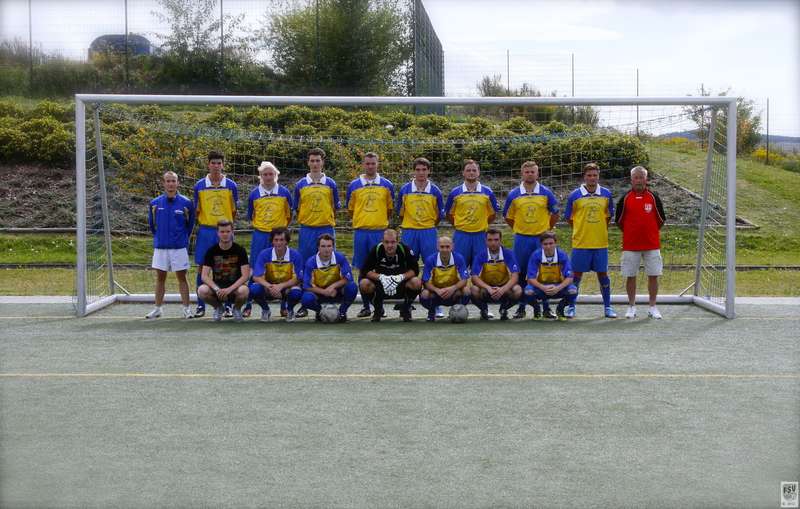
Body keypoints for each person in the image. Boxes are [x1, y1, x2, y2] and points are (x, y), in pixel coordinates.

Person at [503, 160, 559, 319]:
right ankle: (521, 307)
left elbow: (555, 213)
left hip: (541, 240)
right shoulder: (514, 194)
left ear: (537, 173)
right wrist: (520, 229)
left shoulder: (546, 192)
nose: (530, 174)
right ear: (522, 174)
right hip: (521, 239)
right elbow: (508, 216)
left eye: (532, 172)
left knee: (544, 271)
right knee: (520, 273)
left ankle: (546, 308)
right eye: (527, 172)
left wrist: (546, 231)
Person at [563, 162, 616, 319]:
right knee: (576, 276)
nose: (592, 178)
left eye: (595, 175)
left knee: (603, 275)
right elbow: (569, 218)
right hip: (581, 243)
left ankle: (608, 307)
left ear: (598, 176)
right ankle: (571, 306)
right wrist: (582, 229)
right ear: (584, 177)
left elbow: (608, 216)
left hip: (600, 243)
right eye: (589, 175)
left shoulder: (606, 194)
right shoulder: (574, 195)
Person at [346, 152, 395, 317]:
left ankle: (379, 306)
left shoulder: (387, 185)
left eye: (373, 163)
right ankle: (366, 306)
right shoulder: (354, 185)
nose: (370, 166)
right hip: (361, 233)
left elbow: (389, 210)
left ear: (377, 164)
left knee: (381, 269)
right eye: (367, 163)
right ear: (363, 164)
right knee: (362, 269)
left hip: (379, 233)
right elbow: (351, 210)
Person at [293, 148, 341, 318]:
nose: (315, 164)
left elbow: (335, 207)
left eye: (318, 160)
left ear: (323, 162)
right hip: (307, 230)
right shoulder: (300, 184)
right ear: (308, 162)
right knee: (306, 265)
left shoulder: (331, 183)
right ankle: (305, 303)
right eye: (312, 161)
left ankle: (330, 299)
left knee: (329, 264)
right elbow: (297, 207)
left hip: (326, 228)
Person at [614, 166, 666, 319]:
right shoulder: (625, 199)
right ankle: (631, 307)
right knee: (630, 276)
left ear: (646, 179)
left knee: (653, 275)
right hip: (631, 245)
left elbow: (661, 219)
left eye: (641, 177)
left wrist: (649, 232)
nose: (638, 180)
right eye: (636, 177)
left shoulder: (654, 197)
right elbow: (619, 221)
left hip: (651, 245)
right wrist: (632, 233)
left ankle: (653, 307)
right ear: (631, 180)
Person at [396, 157, 445, 317]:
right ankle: (407, 302)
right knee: (407, 267)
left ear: (429, 171)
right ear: (413, 171)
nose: (421, 173)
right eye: (418, 170)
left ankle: (436, 304)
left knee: (433, 267)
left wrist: (427, 225)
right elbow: (400, 212)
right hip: (409, 232)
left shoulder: (435, 191)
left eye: (424, 170)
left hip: (428, 232)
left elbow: (439, 215)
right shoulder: (405, 189)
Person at [192, 150, 239, 318]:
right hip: (206, 231)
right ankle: (200, 305)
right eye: (213, 163)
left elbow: (234, 211)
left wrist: (226, 229)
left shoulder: (231, 185)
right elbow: (197, 211)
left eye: (219, 163)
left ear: (223, 165)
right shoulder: (199, 186)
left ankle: (228, 305)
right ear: (208, 164)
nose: (216, 166)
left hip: (225, 231)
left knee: (228, 268)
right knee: (202, 268)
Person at [244, 161, 293, 317]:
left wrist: (280, 231)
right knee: (255, 269)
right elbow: (251, 215)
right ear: (260, 176)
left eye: (271, 174)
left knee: (284, 268)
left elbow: (289, 215)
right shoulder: (254, 194)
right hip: (260, 235)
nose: (268, 177)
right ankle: (248, 305)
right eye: (265, 174)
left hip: (279, 235)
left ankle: (285, 306)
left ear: (276, 175)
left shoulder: (284, 192)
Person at [145, 171, 196, 319]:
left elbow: (190, 225)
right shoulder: (155, 203)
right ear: (163, 183)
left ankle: (186, 309)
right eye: (168, 181)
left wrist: (181, 239)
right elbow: (152, 225)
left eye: (173, 181)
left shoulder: (186, 203)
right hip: (161, 247)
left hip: (179, 247)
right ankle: (157, 309)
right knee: (160, 278)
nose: (171, 184)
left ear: (178, 183)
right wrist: (160, 238)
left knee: (182, 278)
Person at [444, 159, 500, 269]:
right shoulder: (455, 192)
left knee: (480, 268)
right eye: (468, 170)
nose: (471, 172)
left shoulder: (487, 192)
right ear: (463, 173)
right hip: (461, 235)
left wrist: (482, 224)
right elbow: (449, 214)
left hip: (480, 235)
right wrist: (459, 225)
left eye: (474, 170)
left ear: (478, 172)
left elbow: (493, 214)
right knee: (459, 267)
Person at [359, 229, 421, 322]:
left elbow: (415, 270)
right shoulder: (376, 249)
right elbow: (365, 270)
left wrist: (401, 277)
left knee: (417, 282)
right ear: (382, 241)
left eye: (393, 242)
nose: (389, 245)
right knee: (364, 283)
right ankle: (378, 309)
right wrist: (381, 277)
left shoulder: (405, 249)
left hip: (400, 285)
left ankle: (406, 308)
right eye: (386, 242)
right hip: (381, 285)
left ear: (397, 242)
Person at [197, 220, 250, 322]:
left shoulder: (240, 250)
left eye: (228, 231)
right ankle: (218, 308)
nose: (225, 234)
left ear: (232, 232)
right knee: (202, 290)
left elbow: (245, 275)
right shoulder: (211, 251)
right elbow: (204, 276)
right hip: (217, 288)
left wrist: (229, 289)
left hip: (235, 288)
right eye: (222, 232)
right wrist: (217, 289)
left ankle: (237, 309)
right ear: (217, 233)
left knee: (244, 291)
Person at [248, 227, 304, 323]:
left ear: (287, 241)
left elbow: (298, 279)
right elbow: (256, 277)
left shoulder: (295, 255)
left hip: (287, 288)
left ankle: (290, 310)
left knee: (297, 292)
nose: (279, 243)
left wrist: (281, 286)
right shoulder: (264, 254)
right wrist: (270, 287)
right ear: (272, 241)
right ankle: (265, 310)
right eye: (276, 240)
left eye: (282, 240)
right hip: (269, 288)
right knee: (254, 289)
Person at [300, 234, 358, 323]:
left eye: (329, 246)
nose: (326, 249)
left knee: (352, 287)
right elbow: (307, 286)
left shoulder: (340, 258)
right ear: (318, 248)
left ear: (333, 247)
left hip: (336, 292)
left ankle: (342, 313)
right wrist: (324, 292)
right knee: (306, 298)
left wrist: (333, 287)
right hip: (319, 293)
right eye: (323, 246)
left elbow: (348, 278)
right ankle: (320, 312)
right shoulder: (311, 262)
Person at [470, 228, 523, 321]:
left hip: (504, 288)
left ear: (500, 240)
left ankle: (504, 309)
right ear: (486, 241)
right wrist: (488, 288)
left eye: (496, 240)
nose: (493, 243)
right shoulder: (480, 255)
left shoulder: (508, 253)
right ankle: (484, 310)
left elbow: (515, 276)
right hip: (486, 288)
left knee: (518, 290)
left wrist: (503, 289)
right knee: (473, 289)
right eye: (490, 240)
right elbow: (474, 277)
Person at [524, 231, 577, 320]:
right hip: (540, 287)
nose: (548, 246)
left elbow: (570, 277)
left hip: (558, 286)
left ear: (556, 243)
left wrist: (558, 288)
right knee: (527, 292)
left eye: (551, 243)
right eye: (545, 244)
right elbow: (530, 278)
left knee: (573, 291)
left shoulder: (562, 255)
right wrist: (543, 287)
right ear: (541, 245)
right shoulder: (536, 255)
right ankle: (537, 309)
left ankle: (560, 309)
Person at [419, 236, 470, 322]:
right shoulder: (430, 260)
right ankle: (432, 311)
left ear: (452, 246)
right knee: (424, 293)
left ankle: (457, 311)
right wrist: (437, 290)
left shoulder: (459, 258)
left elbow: (464, 280)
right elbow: (425, 282)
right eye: (442, 247)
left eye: (447, 247)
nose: (445, 250)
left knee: (466, 290)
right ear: (437, 246)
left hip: (453, 293)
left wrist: (452, 289)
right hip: (437, 293)